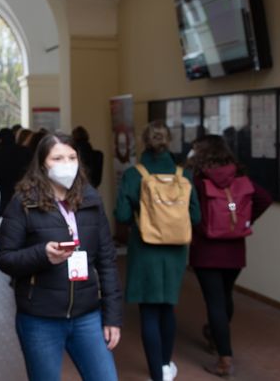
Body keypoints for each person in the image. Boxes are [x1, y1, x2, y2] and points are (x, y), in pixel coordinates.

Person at [0, 132, 122, 381]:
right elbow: (4, 258)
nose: (67, 164)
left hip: (87, 315)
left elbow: (107, 260)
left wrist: (113, 317)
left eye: (72, 157)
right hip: (40, 319)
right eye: (57, 158)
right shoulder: (24, 203)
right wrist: (42, 255)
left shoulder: (91, 200)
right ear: (43, 163)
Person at [114, 121, 200, 381]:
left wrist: (143, 217)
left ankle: (156, 373)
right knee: (167, 308)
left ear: (144, 141)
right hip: (175, 252)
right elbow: (195, 217)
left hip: (145, 250)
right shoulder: (183, 175)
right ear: (168, 141)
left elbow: (122, 214)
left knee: (149, 311)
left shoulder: (134, 174)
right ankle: (165, 365)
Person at [187, 135, 272, 378]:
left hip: (206, 249)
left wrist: (198, 227)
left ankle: (224, 359)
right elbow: (265, 198)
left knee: (214, 302)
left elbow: (189, 210)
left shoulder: (197, 180)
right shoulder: (240, 177)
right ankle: (216, 337)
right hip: (235, 249)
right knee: (225, 297)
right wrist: (244, 221)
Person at [0, 128, 29, 236]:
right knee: (19, 204)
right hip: (19, 181)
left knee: (3, 202)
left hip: (3, 182)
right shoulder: (22, 150)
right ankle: (17, 228)